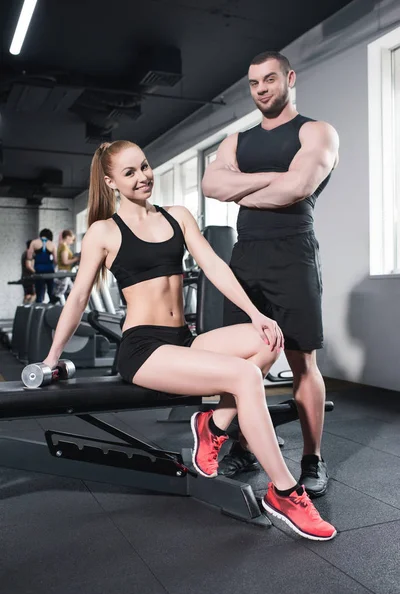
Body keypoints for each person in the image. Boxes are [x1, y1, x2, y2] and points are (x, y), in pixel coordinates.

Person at [42, 139, 336, 541]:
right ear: (111, 181)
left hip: (183, 340)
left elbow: (213, 264)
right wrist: (51, 358)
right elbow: (77, 297)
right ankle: (285, 491)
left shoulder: (177, 216)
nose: (143, 176)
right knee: (245, 377)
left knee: (268, 340)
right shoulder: (103, 232)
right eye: (129, 172)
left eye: (144, 166)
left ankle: (213, 426)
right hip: (144, 350)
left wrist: (256, 313)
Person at [202, 50, 339, 497]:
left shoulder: (316, 132)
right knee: (240, 359)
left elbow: (297, 188)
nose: (261, 89)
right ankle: (242, 445)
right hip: (245, 258)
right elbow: (211, 186)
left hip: (293, 251)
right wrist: (271, 181)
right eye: (254, 83)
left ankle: (312, 458)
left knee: (302, 361)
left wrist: (241, 187)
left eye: (269, 80)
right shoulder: (235, 140)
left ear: (289, 78)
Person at [27, 229, 57, 303]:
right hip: (49, 269)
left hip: (39, 269)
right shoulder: (52, 244)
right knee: (51, 292)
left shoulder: (34, 242)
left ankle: (38, 309)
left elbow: (29, 256)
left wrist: (35, 257)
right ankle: (52, 310)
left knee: (39, 292)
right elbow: (56, 260)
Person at [53, 229, 79, 303]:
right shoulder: (64, 247)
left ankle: (69, 307)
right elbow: (65, 261)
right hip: (64, 272)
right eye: (71, 240)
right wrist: (76, 259)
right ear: (68, 237)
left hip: (66, 271)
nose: (72, 242)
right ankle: (53, 304)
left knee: (71, 290)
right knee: (60, 293)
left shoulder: (62, 246)